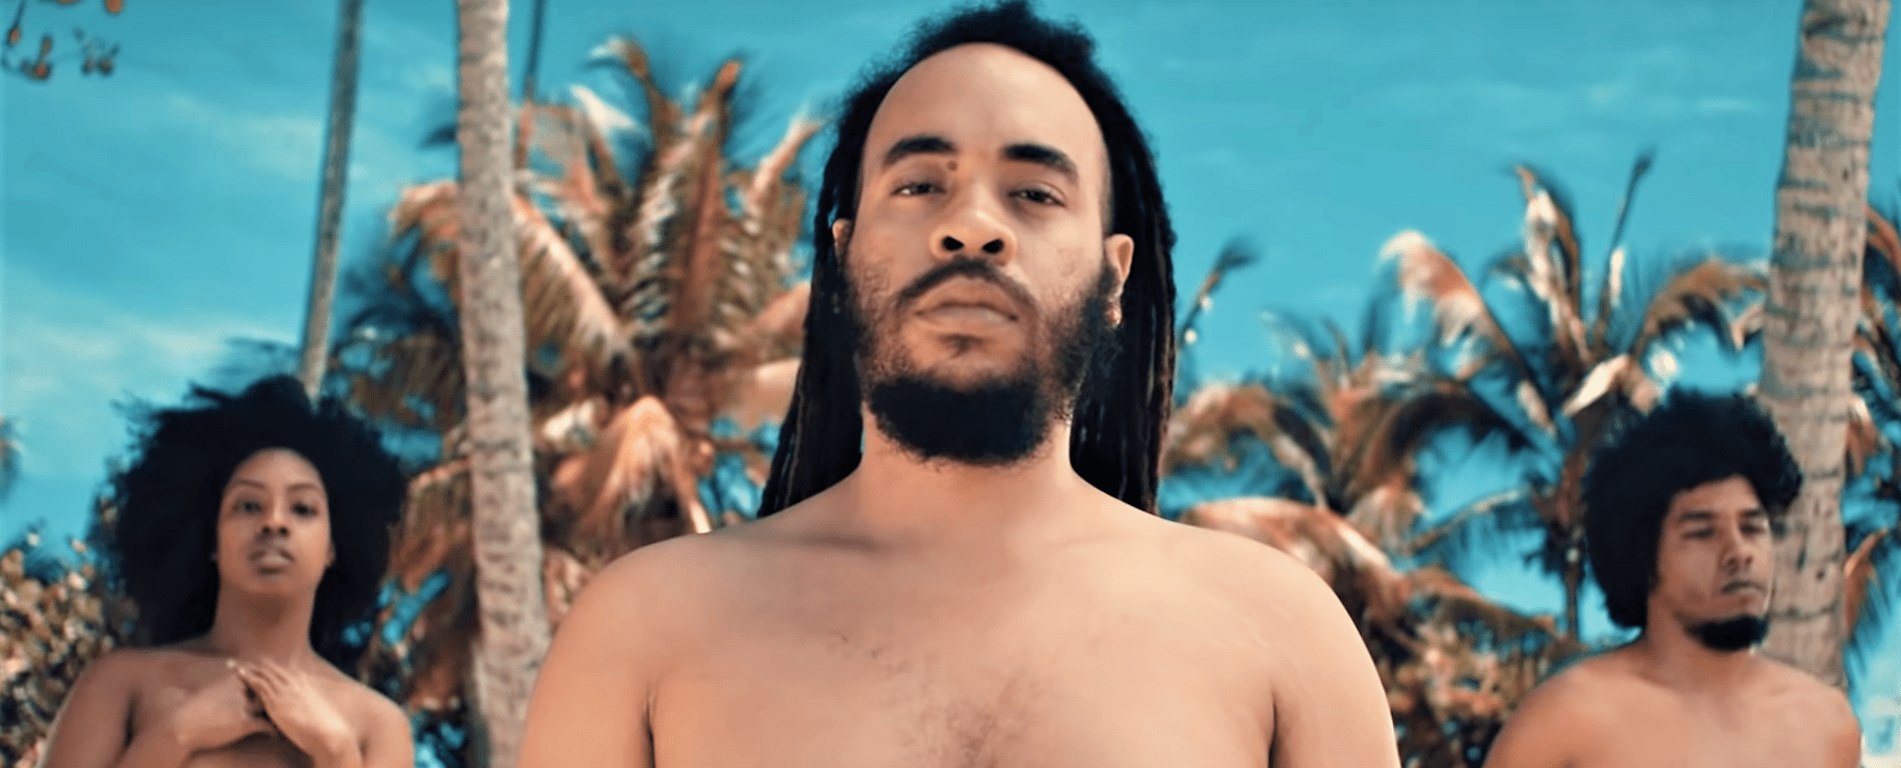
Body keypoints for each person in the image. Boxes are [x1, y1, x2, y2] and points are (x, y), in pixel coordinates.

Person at [520, 2, 1400, 766]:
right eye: (918, 185)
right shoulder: (646, 629)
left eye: (1033, 194)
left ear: (1114, 277)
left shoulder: (1281, 633)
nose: (972, 227)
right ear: (841, 257)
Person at [38, 375, 414, 768]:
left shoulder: (378, 725)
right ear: (213, 538)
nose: (274, 522)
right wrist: (176, 734)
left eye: (303, 508)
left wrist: (335, 750)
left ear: (333, 548)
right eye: (248, 505)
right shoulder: (120, 683)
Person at [1482, 391, 1862, 768]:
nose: (1739, 552)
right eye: (1702, 533)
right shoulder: (1567, 721)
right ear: (1643, 557)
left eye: (1752, 528)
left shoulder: (1826, 726)